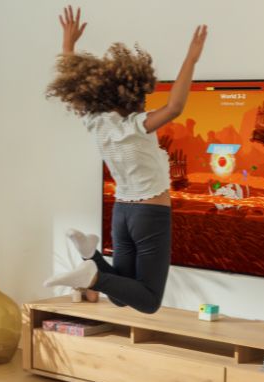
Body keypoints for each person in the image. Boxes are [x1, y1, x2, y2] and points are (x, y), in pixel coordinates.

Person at [44, 6, 207, 314]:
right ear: (132, 95)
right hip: (148, 215)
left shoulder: (96, 121)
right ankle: (91, 273)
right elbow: (174, 107)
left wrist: (68, 45)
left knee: (121, 295)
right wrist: (191, 59)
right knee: (148, 300)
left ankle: (90, 255)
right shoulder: (136, 125)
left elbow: (73, 85)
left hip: (123, 213)